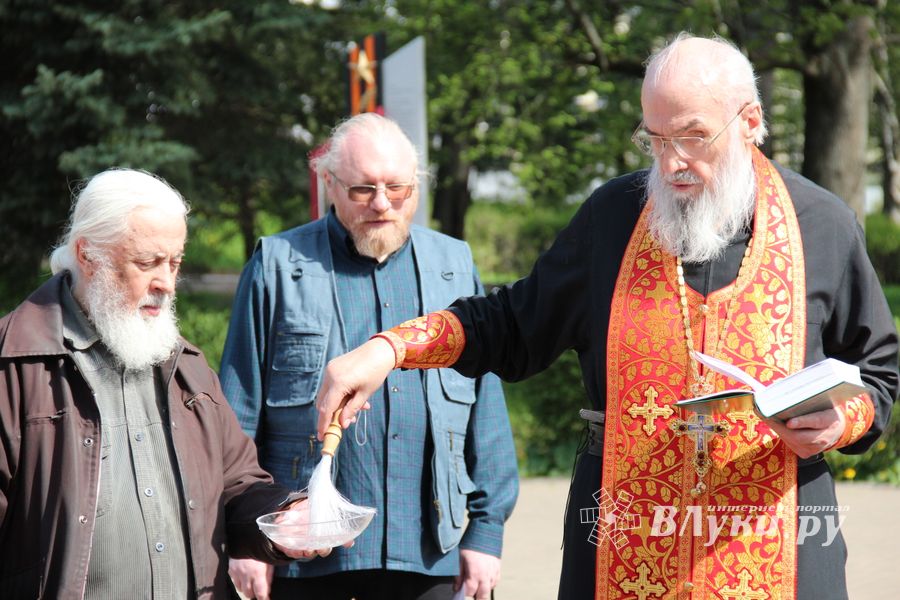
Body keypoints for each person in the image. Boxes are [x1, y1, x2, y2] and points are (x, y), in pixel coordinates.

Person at [315, 34, 899, 600]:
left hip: (783, 540)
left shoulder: (823, 223)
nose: (673, 163)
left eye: (695, 136)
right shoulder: (614, 216)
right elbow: (512, 325)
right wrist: (390, 349)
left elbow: (879, 372)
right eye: (656, 139)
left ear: (750, 120)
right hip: (621, 542)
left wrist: (839, 422)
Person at [220, 113, 518, 600]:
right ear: (330, 185)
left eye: (396, 188)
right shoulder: (276, 266)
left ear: (416, 187)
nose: (382, 204)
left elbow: (486, 406)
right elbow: (238, 413)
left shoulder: (453, 265)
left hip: (427, 551)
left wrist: (486, 531)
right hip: (303, 555)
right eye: (362, 190)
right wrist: (246, 538)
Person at [0, 168, 324, 599]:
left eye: (175, 262)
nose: (167, 283)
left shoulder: (185, 365)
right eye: (147, 262)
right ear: (87, 254)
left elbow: (236, 484)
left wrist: (282, 519)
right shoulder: (15, 365)